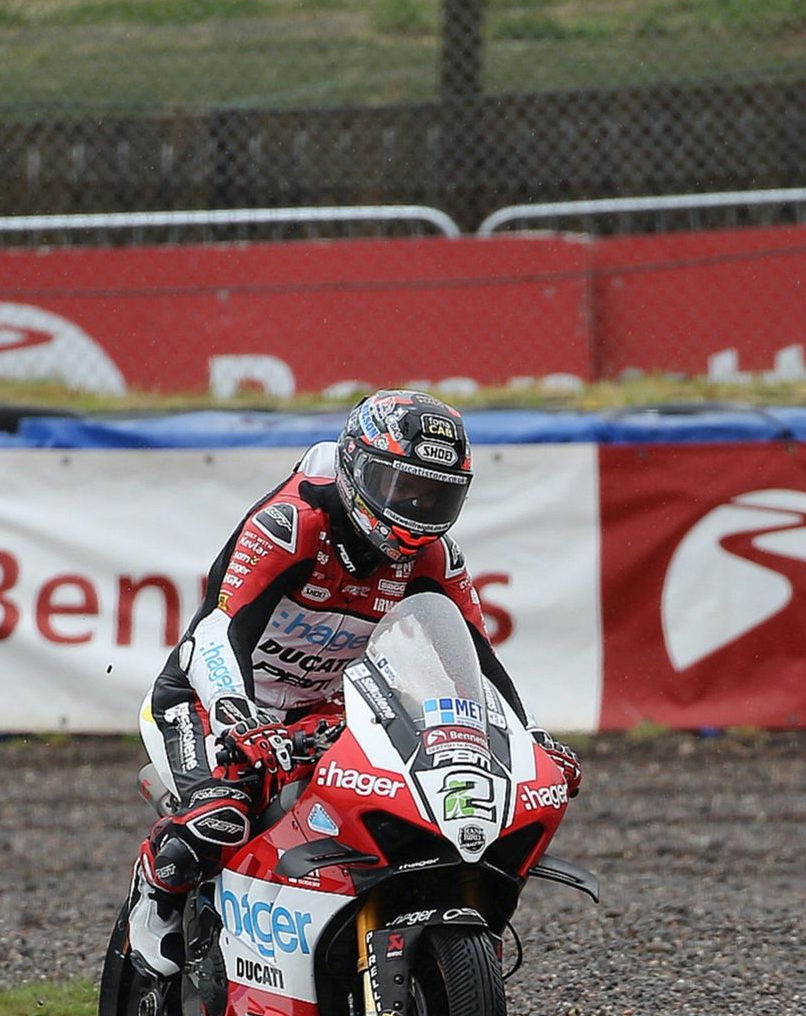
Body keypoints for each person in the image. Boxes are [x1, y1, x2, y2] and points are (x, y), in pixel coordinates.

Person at [125, 388, 583, 975]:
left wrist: (530, 739)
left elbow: (479, 659)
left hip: (321, 713)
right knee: (223, 815)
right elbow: (217, 632)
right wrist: (240, 717)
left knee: (390, 810)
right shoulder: (291, 522)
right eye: (404, 488)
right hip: (207, 701)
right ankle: (157, 892)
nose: (416, 510)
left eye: (435, 495)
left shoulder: (435, 557)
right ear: (357, 467)